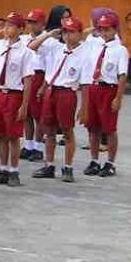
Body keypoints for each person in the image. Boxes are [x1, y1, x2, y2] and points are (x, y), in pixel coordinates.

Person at [28, 17, 88, 182]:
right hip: (51, 91)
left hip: (67, 93)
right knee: (49, 130)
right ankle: (49, 165)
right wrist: (49, 34)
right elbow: (32, 46)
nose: (68, 36)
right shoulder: (56, 47)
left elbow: (86, 84)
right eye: (65, 32)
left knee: (67, 131)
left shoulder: (84, 54)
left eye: (72, 32)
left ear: (80, 34)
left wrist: (84, 108)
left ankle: (68, 167)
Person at [0, 12, 35, 187]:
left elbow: (28, 80)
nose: (7, 29)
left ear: (20, 29)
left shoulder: (25, 52)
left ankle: (14, 170)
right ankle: (3, 168)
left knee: (13, 136)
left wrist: (24, 106)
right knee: (1, 134)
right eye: (6, 25)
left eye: (11, 26)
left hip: (14, 95)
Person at [82, 12, 127, 178]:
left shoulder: (120, 50)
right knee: (92, 127)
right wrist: (93, 29)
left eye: (107, 29)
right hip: (94, 88)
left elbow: (122, 75)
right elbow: (80, 38)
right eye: (101, 29)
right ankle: (94, 160)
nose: (104, 32)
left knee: (109, 128)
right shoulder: (95, 45)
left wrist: (118, 97)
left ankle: (110, 163)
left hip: (109, 89)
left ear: (115, 29)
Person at [21, 9, 50, 163]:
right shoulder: (23, 38)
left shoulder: (49, 40)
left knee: (39, 115)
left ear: (42, 24)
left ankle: (38, 147)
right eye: (29, 22)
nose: (31, 25)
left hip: (40, 76)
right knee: (27, 114)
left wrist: (44, 85)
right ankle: (28, 144)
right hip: (26, 76)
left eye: (35, 22)